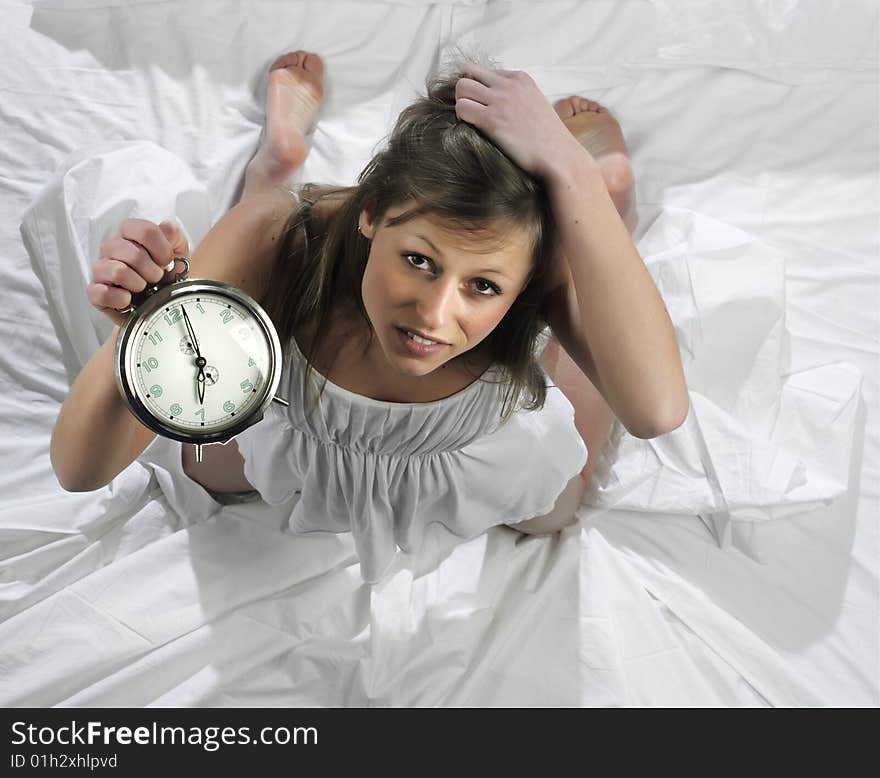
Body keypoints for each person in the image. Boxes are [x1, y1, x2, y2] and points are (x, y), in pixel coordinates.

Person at [50, 51, 688, 582]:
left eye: (484, 286)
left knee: (552, 511)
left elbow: (655, 410)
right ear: (371, 212)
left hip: (460, 448)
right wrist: (148, 324)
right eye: (418, 260)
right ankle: (272, 167)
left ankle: (613, 214)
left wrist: (573, 176)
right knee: (206, 468)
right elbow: (80, 470)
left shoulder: (532, 270)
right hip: (296, 431)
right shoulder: (283, 239)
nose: (435, 316)